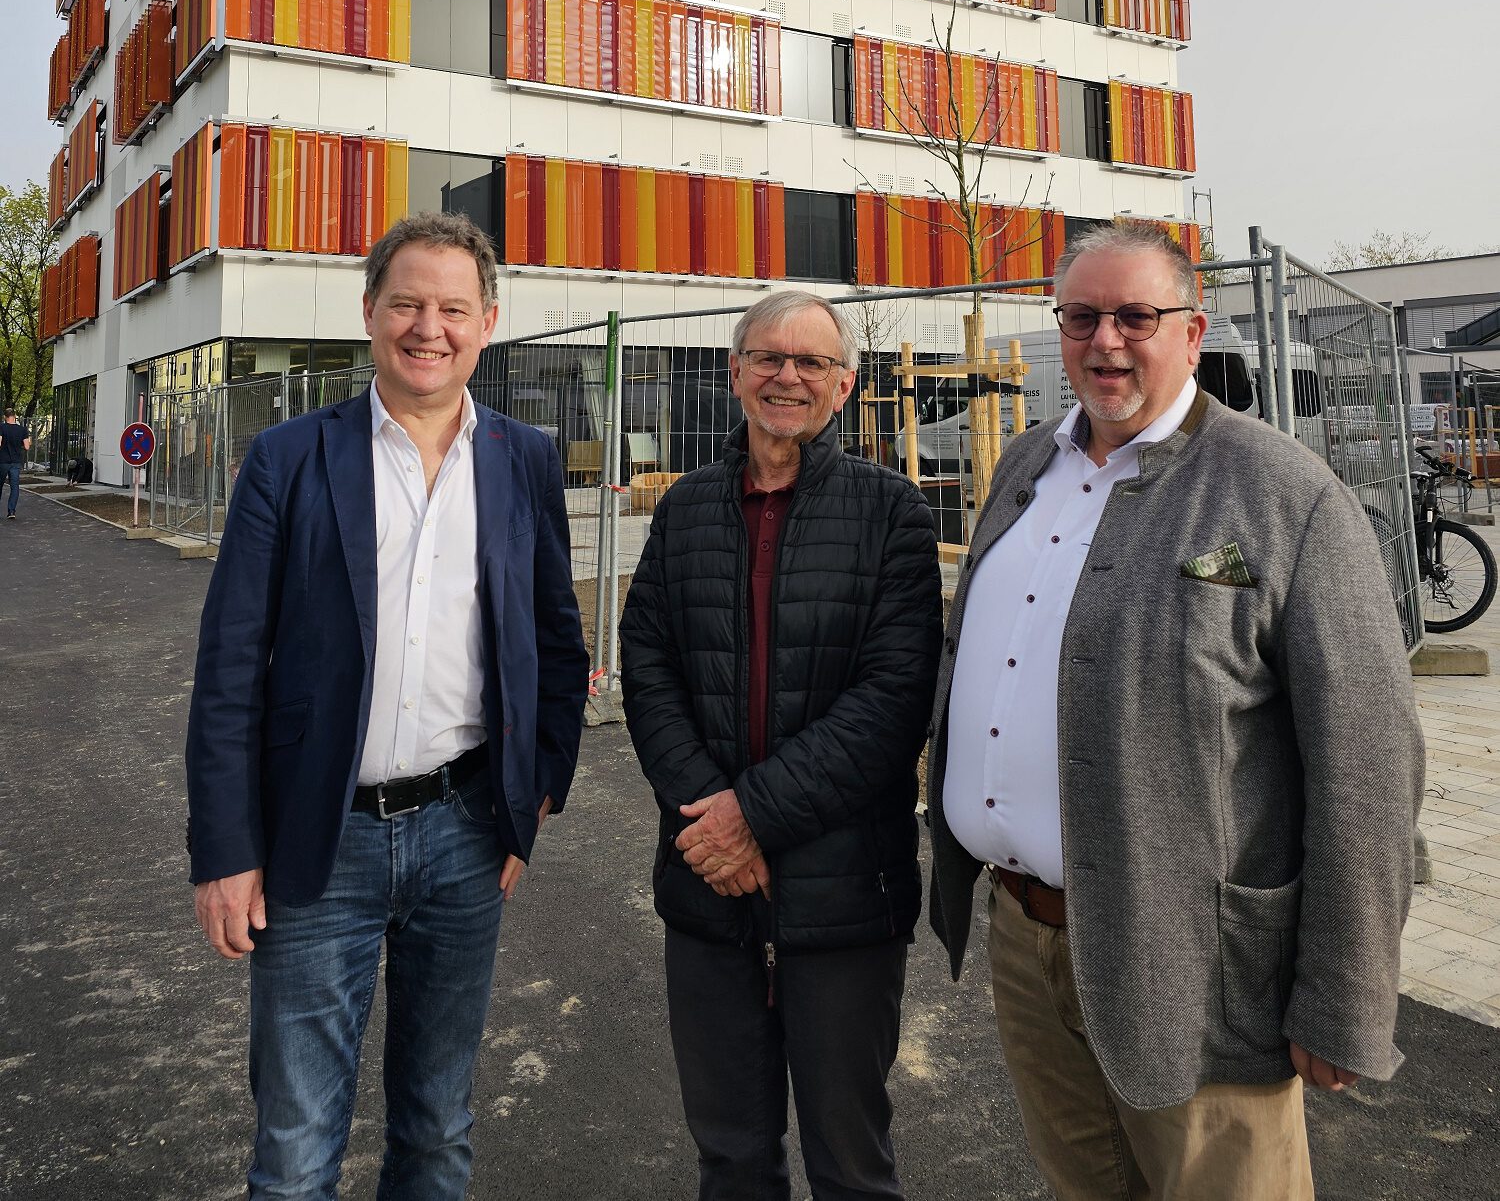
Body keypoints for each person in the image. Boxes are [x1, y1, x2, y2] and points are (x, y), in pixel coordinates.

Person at [927, 222, 1424, 1200]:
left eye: (1136, 316)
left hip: (1192, 966)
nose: (1105, 340)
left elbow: (1366, 767)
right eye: (1080, 316)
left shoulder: (1284, 493)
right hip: (1026, 941)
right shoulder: (1024, 466)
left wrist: (1346, 995)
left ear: (1192, 332)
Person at [186, 211, 589, 1199]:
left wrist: (531, 797)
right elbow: (231, 662)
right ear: (369, 310)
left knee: (438, 1130)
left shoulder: (525, 459)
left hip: (464, 833)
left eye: (453, 307)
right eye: (407, 302)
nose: (428, 326)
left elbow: (555, 641)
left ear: (487, 322)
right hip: (317, 840)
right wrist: (227, 848)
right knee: (294, 1148)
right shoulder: (289, 456)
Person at [621, 289, 942, 1201]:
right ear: (734, 373)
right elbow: (647, 668)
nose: (787, 377)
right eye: (769, 358)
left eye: (811, 364)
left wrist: (751, 818)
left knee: (850, 1162)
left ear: (843, 387)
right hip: (707, 890)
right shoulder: (684, 510)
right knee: (730, 1155)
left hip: (842, 895)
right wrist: (710, 825)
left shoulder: (894, 517)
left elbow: (891, 705)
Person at [1, 408, 30, 519]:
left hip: (2, 461)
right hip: (16, 462)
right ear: (15, 416)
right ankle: (11, 511)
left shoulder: (1, 427)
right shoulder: (22, 430)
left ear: (5, 417)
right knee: (14, 486)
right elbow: (27, 446)